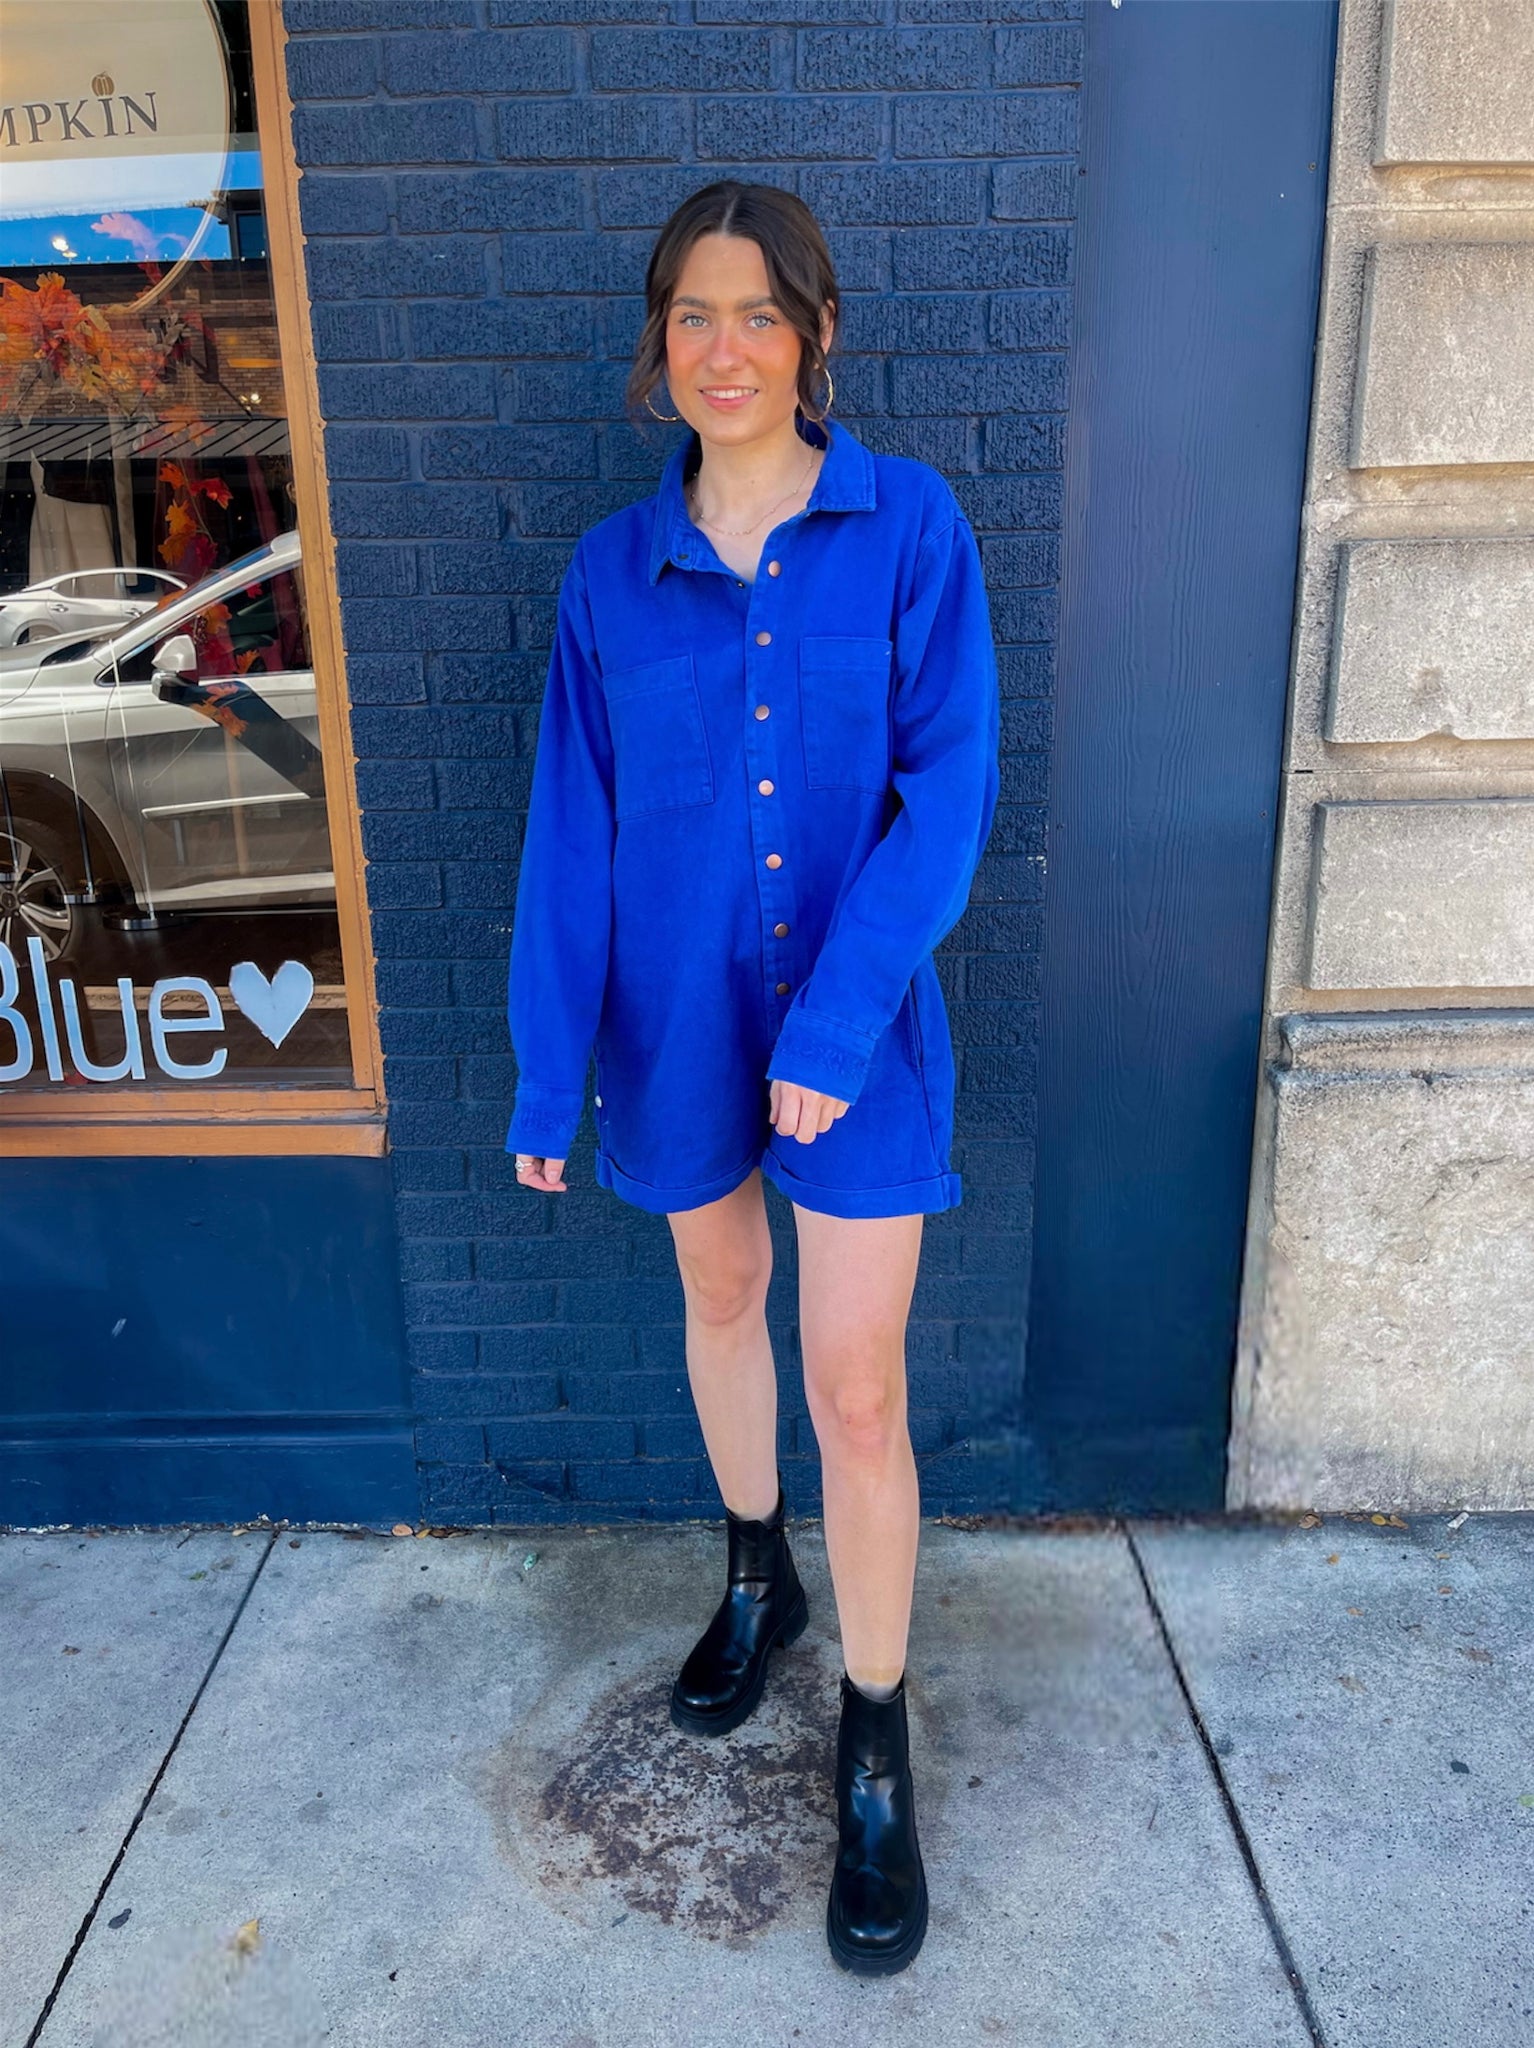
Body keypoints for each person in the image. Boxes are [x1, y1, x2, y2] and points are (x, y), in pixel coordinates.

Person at [504, 180, 1000, 1976]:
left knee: (855, 1388)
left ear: (815, 332)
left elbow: (946, 798)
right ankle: (752, 1572)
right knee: (720, 1298)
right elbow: (574, 832)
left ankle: (871, 1738)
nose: (725, 349)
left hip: (853, 1034)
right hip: (673, 1024)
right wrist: (547, 1071)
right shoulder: (608, 574)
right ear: (661, 340)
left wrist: (835, 1024)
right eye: (694, 315)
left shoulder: (908, 526)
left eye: (760, 314)